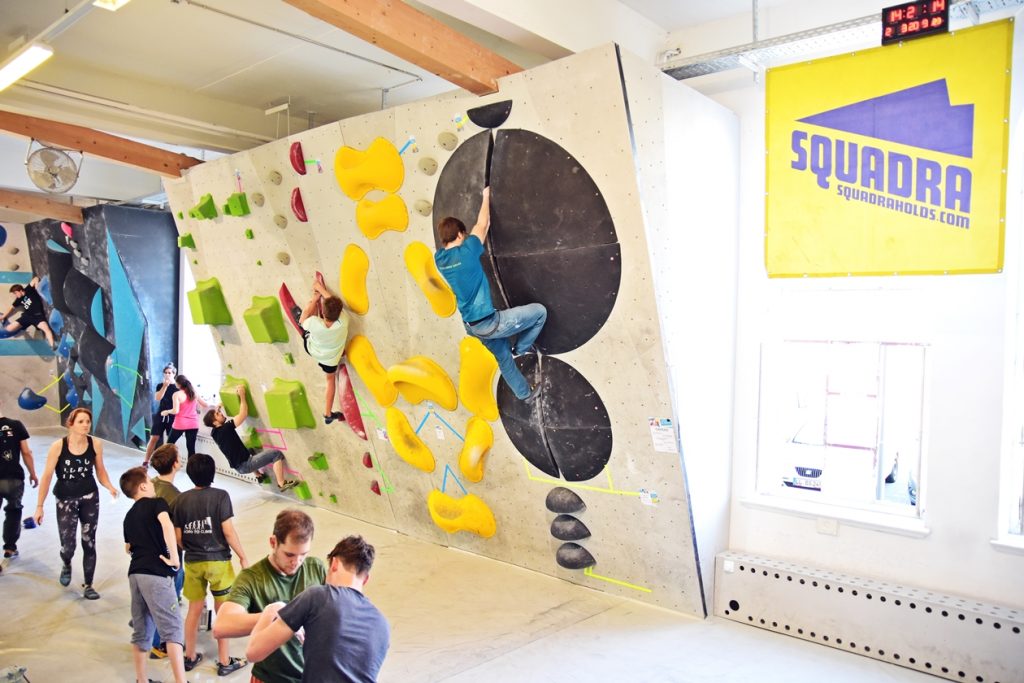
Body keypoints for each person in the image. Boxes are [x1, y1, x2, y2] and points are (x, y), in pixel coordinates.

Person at [434, 187, 547, 402]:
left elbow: (476, 231)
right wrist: (486, 196)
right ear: (460, 234)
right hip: (491, 323)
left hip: (473, 327)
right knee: (539, 313)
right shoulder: (467, 252)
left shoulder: (440, 260)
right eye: (463, 234)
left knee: (504, 361)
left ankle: (526, 394)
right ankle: (521, 348)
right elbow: (483, 224)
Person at [246, 535, 389, 683]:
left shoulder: (318, 596)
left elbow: (253, 652)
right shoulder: (382, 625)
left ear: (334, 564)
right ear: (366, 579)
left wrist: (272, 609)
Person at [214, 510, 327, 683]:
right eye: (289, 554)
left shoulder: (316, 568)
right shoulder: (252, 578)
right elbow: (221, 626)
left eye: (303, 554)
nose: (296, 562)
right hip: (270, 678)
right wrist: (279, 617)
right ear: (273, 542)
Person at [171, 453, 247, 676]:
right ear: (212, 473)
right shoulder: (221, 496)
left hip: (193, 563)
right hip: (219, 563)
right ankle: (225, 662)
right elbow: (228, 532)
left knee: (194, 609)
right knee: (223, 612)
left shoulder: (181, 500)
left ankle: (190, 656)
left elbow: (178, 537)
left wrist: (190, 548)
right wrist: (242, 555)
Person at [33, 407, 119, 599]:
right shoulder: (58, 446)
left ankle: (89, 584)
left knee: (89, 541)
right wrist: (39, 506)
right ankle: (66, 562)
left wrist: (109, 486)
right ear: (70, 424)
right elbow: (47, 476)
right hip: (65, 498)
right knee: (68, 545)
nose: (85, 425)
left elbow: (100, 470)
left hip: (89, 496)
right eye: (81, 421)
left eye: (87, 421)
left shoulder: (95, 444)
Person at [119, 466, 186, 683]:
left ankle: (141, 679)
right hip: (156, 574)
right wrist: (174, 559)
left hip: (135, 575)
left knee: (142, 631)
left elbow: (128, 547)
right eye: (149, 480)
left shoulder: (128, 517)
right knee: (173, 629)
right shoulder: (158, 503)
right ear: (143, 486)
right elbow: (167, 525)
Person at [202, 386, 298, 492]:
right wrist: (242, 395)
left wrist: (217, 408)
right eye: (218, 414)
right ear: (215, 422)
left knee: (250, 450)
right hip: (246, 465)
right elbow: (243, 414)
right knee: (276, 454)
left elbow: (215, 419)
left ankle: (258, 475)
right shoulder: (226, 429)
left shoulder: (214, 433)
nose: (221, 413)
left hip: (239, 467)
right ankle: (282, 483)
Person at [148, 443, 185, 660]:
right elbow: (177, 534)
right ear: (175, 464)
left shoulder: (150, 485)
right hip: (167, 556)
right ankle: (159, 644)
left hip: (147, 550)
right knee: (167, 600)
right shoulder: (176, 497)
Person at [299, 276, 349, 424]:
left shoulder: (313, 322)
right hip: (331, 358)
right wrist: (323, 290)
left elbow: (302, 319)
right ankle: (327, 414)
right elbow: (337, 307)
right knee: (330, 380)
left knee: (307, 314)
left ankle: (314, 300)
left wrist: (315, 297)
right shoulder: (344, 321)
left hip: (313, 350)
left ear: (324, 313)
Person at [0, 403, 37, 561]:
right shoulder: (15, 425)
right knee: (14, 511)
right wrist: (33, 473)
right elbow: (26, 452)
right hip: (13, 477)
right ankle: (10, 547)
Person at [1, 276, 55, 347]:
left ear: (19, 291)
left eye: (15, 293)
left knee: (46, 329)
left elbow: (36, 278)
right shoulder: (18, 300)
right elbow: (11, 308)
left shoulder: (28, 289)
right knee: (9, 328)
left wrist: (36, 286)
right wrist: (3, 317)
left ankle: (53, 347)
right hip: (27, 316)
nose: (15, 296)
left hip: (38, 316)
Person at [163, 375, 209, 459]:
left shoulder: (176, 394)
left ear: (178, 384)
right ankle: (192, 470)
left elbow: (175, 411)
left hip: (180, 424)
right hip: (193, 424)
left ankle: (167, 466)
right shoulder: (194, 392)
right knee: (191, 448)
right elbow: (205, 404)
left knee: (168, 446)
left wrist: (166, 411)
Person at [143, 363, 178, 468]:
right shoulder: (160, 385)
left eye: (170, 373)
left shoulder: (178, 387)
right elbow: (158, 398)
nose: (167, 375)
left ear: (174, 374)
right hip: (161, 414)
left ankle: (170, 463)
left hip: (172, 415)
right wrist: (164, 386)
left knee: (171, 442)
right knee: (154, 437)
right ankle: (146, 461)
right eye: (166, 373)